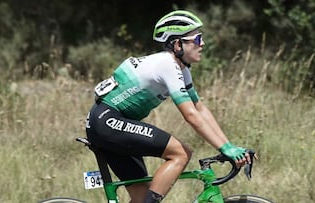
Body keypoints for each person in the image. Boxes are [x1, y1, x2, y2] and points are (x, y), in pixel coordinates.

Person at [85, 10, 250, 203]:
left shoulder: (181, 69)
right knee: (181, 153)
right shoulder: (167, 64)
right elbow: (190, 115)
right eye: (197, 39)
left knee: (140, 198)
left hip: (110, 124)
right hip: (107, 121)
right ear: (178, 44)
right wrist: (225, 148)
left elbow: (199, 109)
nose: (202, 43)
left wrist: (229, 147)